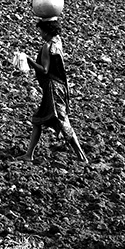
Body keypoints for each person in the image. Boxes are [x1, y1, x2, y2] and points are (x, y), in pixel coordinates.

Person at [19, 17, 88, 163]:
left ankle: (81, 156)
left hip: (53, 90)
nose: (40, 34)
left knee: (63, 121)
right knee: (38, 120)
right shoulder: (58, 41)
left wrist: (28, 60)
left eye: (42, 31)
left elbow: (44, 70)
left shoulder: (47, 47)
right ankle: (29, 154)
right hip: (60, 87)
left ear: (47, 31)